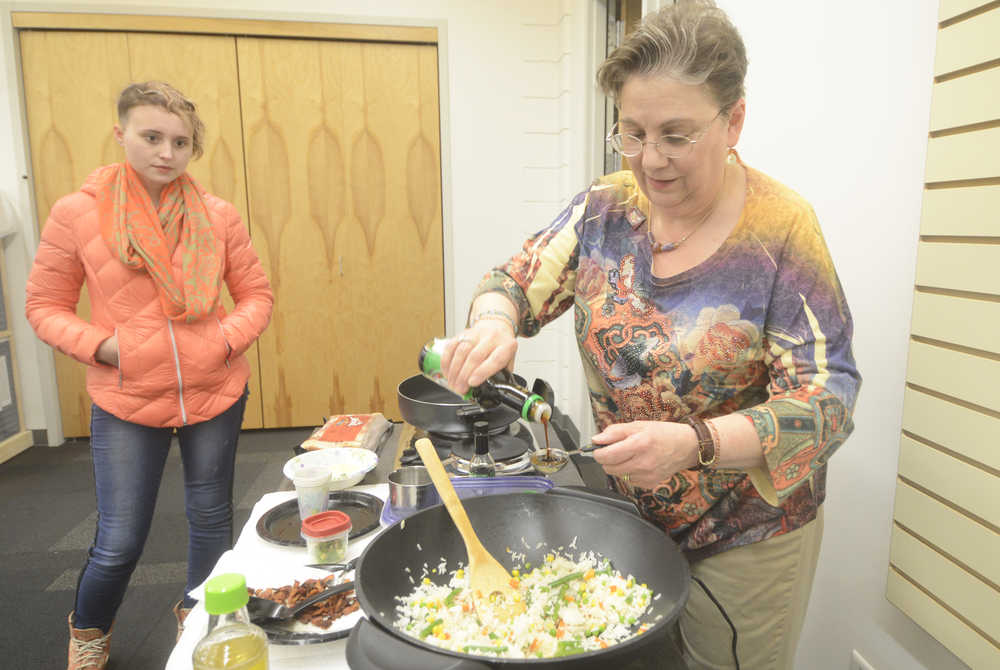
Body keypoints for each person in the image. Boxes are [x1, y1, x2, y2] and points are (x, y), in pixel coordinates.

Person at [441, 2, 861, 668]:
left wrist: (695, 443)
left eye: (675, 134)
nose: (650, 159)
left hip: (745, 533)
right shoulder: (604, 207)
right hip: (629, 512)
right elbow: (515, 279)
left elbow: (829, 401)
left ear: (734, 122)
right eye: (631, 132)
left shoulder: (781, 231)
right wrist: (494, 322)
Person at [25, 81, 273, 670]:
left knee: (211, 520)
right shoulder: (78, 213)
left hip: (213, 391)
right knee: (119, 541)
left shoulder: (216, 216)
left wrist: (223, 339)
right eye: (151, 136)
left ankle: (201, 626)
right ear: (121, 135)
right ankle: (88, 635)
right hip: (126, 397)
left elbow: (255, 296)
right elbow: (43, 306)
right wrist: (104, 348)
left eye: (180, 142)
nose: (166, 152)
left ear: (193, 148)